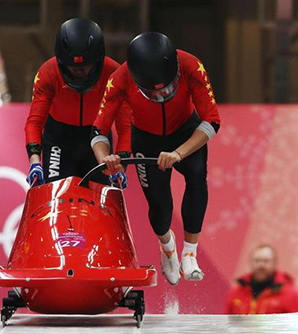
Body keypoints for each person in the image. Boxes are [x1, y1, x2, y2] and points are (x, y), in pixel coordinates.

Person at [91, 32, 220, 285]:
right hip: (146, 140)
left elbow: (212, 120)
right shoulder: (119, 80)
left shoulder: (191, 66)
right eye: (153, 93)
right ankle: (167, 246)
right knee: (160, 207)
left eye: (168, 89)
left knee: (196, 176)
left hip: (185, 131)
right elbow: (98, 129)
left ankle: (190, 253)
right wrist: (105, 160)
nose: (162, 96)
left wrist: (179, 153)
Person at [24, 18, 129, 188]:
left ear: (98, 60)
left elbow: (126, 126)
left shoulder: (115, 74)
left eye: (85, 67)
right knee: (57, 195)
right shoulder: (48, 73)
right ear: (61, 62)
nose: (80, 73)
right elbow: (35, 122)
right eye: (73, 69)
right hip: (59, 140)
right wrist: (35, 162)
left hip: (97, 141)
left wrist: (121, 165)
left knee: (100, 200)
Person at [225, 245, 298, 314]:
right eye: (257, 261)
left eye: (266, 261)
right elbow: (226, 325)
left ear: (274, 263)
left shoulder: (291, 295)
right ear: (251, 263)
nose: (261, 265)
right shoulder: (235, 292)